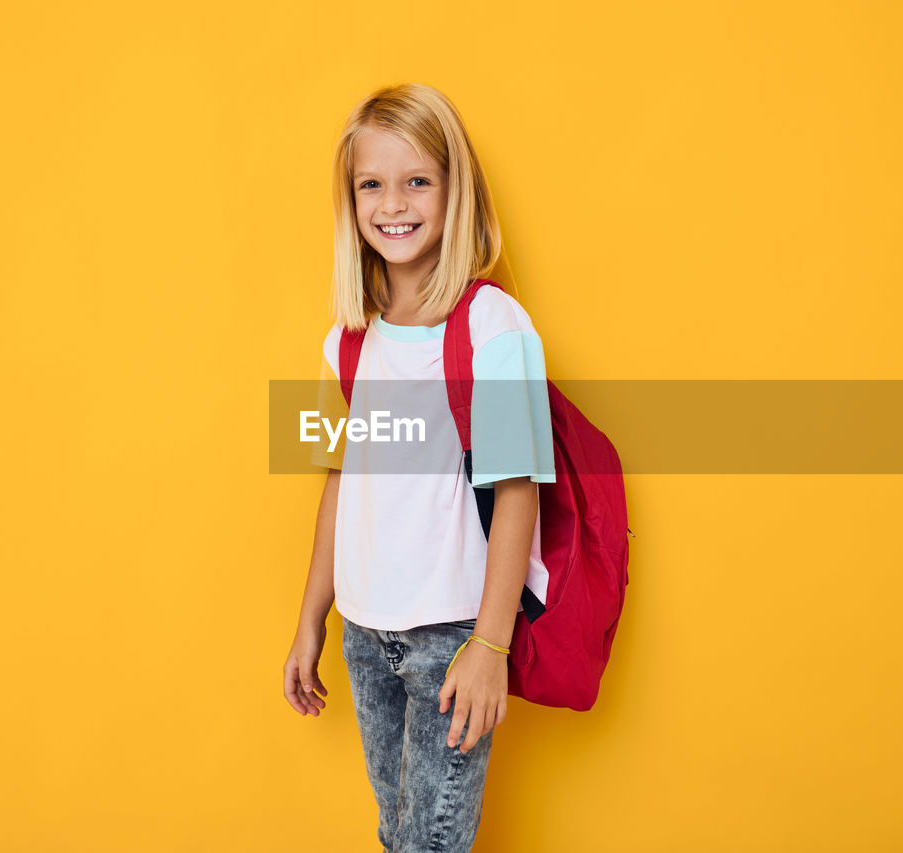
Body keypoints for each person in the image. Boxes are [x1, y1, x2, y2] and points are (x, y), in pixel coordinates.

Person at [282, 82, 555, 853]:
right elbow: (340, 480)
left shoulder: (492, 325)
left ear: (453, 188)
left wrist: (489, 647)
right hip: (365, 632)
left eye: (417, 181)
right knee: (398, 834)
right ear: (350, 199)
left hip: (450, 639)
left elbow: (517, 491)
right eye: (372, 183)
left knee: (428, 846)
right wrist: (312, 617)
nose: (392, 203)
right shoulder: (347, 338)